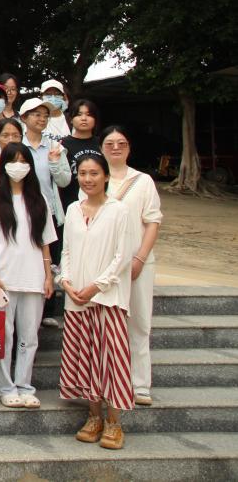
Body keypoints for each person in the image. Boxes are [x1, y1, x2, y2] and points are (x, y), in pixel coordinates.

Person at [58, 153, 134, 450]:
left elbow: (122, 257)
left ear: (106, 176)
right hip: (77, 298)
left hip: (108, 298)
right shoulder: (73, 209)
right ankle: (94, 417)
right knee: (86, 359)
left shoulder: (119, 211)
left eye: (94, 173)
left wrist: (97, 286)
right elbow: (66, 250)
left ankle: (114, 422)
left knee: (111, 360)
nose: (88, 179)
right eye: (83, 173)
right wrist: (66, 281)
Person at [0, 142, 57, 408]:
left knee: (29, 338)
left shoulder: (39, 199)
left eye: (24, 161)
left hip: (34, 278)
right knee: (4, 335)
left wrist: (48, 275)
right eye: (13, 161)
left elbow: (45, 241)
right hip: (3, 278)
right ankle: (5, 386)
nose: (18, 166)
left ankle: (25, 385)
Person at [101, 125, 161, 408]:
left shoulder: (143, 181)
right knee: (107, 326)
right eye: (110, 143)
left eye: (121, 143)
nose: (116, 148)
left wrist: (139, 258)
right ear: (101, 148)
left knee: (139, 322)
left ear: (129, 147)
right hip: (103, 264)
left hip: (138, 263)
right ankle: (110, 382)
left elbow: (152, 221)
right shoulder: (94, 178)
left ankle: (140, 384)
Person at [18, 97, 71, 230]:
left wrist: (54, 164)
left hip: (49, 212)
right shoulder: (16, 146)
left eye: (46, 116)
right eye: (37, 115)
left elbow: (64, 181)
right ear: (24, 117)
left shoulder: (54, 146)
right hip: (20, 211)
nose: (42, 119)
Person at [61, 99, 103, 210]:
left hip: (101, 203)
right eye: (79, 114)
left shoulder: (102, 143)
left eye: (89, 115)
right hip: (71, 203)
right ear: (71, 119)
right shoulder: (62, 144)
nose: (84, 118)